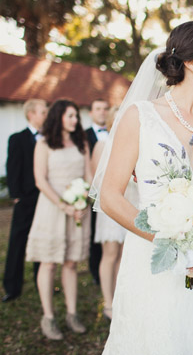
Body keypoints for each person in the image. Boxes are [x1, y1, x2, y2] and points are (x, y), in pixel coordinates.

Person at [92, 21, 193, 355]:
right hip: (153, 260)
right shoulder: (141, 116)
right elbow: (110, 195)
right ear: (192, 61)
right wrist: (171, 243)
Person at [26, 100, 92, 341]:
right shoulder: (43, 144)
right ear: (58, 117)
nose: (75, 120)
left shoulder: (81, 143)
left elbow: (88, 175)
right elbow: (40, 180)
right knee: (49, 262)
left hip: (77, 210)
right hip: (52, 209)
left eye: (76, 116)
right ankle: (48, 316)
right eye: (71, 116)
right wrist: (63, 205)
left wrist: (83, 201)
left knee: (72, 263)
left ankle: (72, 314)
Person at [2, 99, 48, 302]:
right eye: (43, 112)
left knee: (42, 241)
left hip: (46, 199)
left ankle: (42, 283)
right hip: (26, 199)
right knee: (17, 242)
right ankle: (12, 287)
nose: (46, 115)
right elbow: (12, 168)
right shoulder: (17, 138)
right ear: (31, 114)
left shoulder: (49, 139)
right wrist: (17, 195)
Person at [91, 106, 130, 320]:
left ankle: (120, 298)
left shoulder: (133, 144)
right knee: (110, 254)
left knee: (124, 256)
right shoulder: (102, 145)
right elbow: (96, 182)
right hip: (110, 206)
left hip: (131, 204)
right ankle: (107, 302)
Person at [86, 99, 110, 286]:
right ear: (91, 112)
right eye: (98, 109)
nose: (102, 112)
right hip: (96, 193)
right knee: (96, 237)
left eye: (105, 109)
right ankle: (95, 272)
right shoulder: (85, 136)